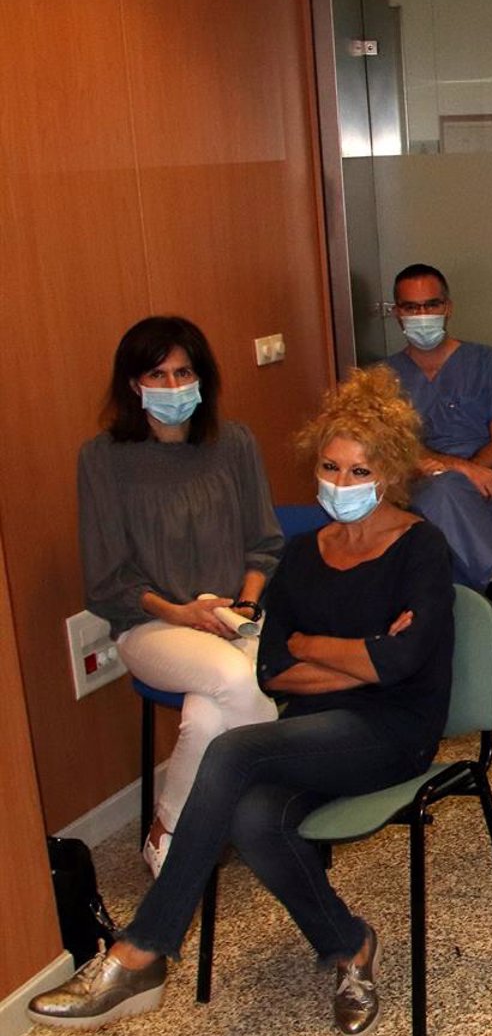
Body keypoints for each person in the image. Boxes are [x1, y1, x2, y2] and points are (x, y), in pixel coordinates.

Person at [32, 367, 455, 1036]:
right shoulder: (302, 554)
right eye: (331, 468)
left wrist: (339, 656)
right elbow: (274, 669)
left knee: (231, 750)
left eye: (359, 472)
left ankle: (142, 949)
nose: (341, 486)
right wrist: (361, 658)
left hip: (397, 734)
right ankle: (349, 946)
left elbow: (405, 665)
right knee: (257, 820)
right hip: (320, 733)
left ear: (392, 472)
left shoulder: (420, 548)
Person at [78, 317, 282, 877]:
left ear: (203, 377)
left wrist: (243, 604)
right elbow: (107, 578)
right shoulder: (102, 459)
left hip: (234, 615)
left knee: (204, 715)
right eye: (158, 374)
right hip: (151, 624)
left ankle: (168, 828)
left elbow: (265, 543)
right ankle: (281, 801)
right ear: (133, 384)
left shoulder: (233, 441)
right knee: (237, 681)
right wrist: (180, 612)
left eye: (184, 372)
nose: (173, 388)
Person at [384, 262, 492, 662]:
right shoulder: (382, 378)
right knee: (438, 506)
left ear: (449, 306)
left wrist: (469, 472)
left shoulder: (488, 362)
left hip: (489, 494)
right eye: (411, 307)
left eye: (431, 305)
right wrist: (459, 469)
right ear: (396, 313)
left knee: (427, 543)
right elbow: (387, 452)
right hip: (414, 496)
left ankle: (431, 659)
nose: (422, 316)